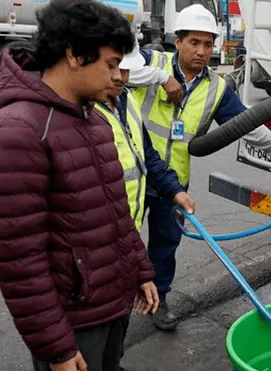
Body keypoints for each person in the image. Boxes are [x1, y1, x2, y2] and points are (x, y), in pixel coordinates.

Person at [0, 0, 160, 370]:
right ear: (74, 54)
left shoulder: (95, 120)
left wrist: (140, 270)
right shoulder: (20, 130)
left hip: (112, 303)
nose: (117, 76)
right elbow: (20, 260)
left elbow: (116, 212)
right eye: (110, 64)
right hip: (73, 322)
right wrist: (56, 348)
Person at [125, 3, 271, 331]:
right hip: (134, 175)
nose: (202, 51)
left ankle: (159, 299)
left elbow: (247, 126)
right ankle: (116, 306)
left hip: (174, 182)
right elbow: (121, 70)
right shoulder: (152, 62)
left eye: (208, 44)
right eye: (194, 42)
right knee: (122, 242)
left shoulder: (217, 88)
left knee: (166, 244)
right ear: (176, 41)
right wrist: (162, 77)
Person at [94, 41, 196, 370]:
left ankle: (113, 362)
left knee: (116, 324)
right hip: (93, 250)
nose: (122, 77)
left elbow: (147, 155)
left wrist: (174, 191)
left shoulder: (126, 101)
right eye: (115, 68)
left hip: (124, 236)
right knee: (90, 331)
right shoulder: (78, 114)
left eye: (127, 69)